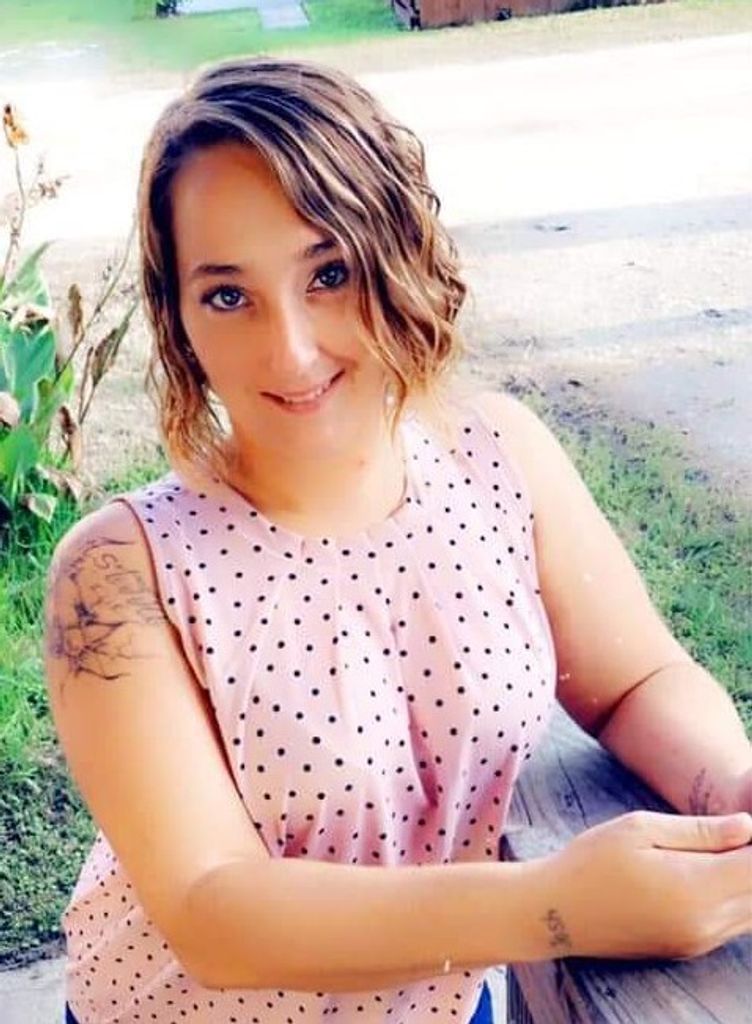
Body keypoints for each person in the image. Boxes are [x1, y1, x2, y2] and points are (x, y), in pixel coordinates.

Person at [45, 57, 752, 1024]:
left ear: (398, 251)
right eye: (227, 295)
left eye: (328, 274)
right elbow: (213, 910)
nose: (291, 349)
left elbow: (635, 680)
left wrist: (731, 791)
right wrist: (557, 909)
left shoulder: (500, 458)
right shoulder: (118, 572)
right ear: (178, 319)